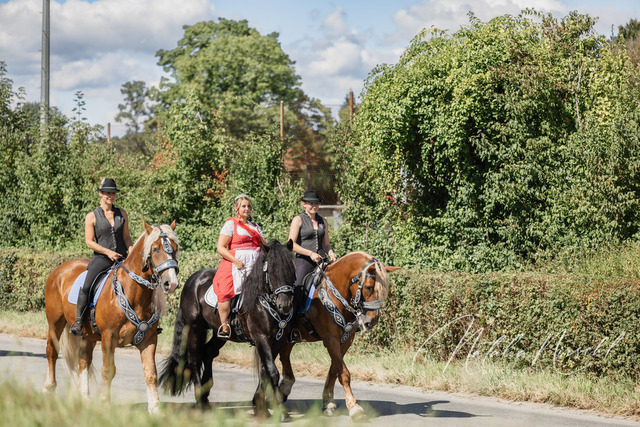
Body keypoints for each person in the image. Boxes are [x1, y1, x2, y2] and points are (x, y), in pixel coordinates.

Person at [70, 178, 134, 336]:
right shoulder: (91, 216)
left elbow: (126, 237)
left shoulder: (122, 214)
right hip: (102, 259)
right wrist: (108, 252)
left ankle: (146, 322)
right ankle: (79, 321)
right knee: (87, 286)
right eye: (107, 193)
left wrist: (132, 252)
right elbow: (89, 242)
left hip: (122, 258)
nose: (110, 196)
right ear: (100, 193)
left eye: (113, 193)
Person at [212, 194, 267, 338]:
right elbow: (220, 247)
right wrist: (235, 261)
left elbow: (264, 245)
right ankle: (224, 324)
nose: (246, 208)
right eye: (243, 206)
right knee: (226, 288)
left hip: (255, 262)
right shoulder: (231, 224)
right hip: (235, 262)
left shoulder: (255, 226)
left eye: (248, 206)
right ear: (236, 208)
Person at [288, 189, 337, 290]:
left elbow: (326, 244)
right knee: (298, 286)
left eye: (316, 203)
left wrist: (331, 253)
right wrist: (310, 254)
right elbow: (291, 244)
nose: (314, 206)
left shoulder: (323, 221)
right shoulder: (298, 220)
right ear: (304, 204)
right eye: (311, 203)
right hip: (304, 260)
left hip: (321, 259)